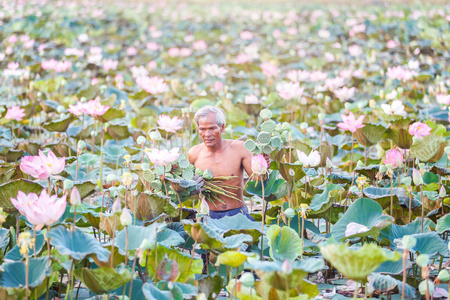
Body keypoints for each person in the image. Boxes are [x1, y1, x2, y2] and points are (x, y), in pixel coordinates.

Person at [188, 105, 269, 221]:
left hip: (237, 214)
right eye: (202, 129)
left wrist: (263, 166)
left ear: (222, 128)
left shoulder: (240, 148)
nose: (207, 134)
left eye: (212, 128)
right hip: (208, 216)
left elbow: (258, 180)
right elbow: (185, 186)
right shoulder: (194, 153)